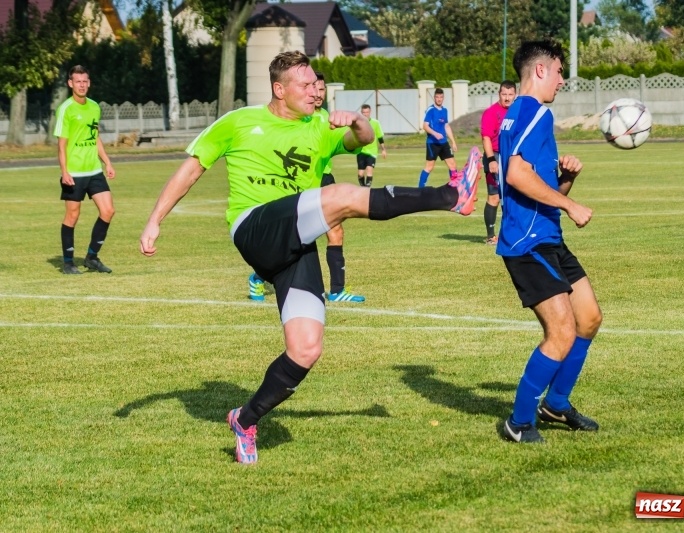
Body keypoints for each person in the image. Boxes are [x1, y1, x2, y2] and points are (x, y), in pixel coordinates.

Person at [139, 50, 481, 464]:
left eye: (315, 85)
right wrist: (155, 220)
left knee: (306, 348)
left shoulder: (319, 126)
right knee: (338, 196)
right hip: (254, 228)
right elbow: (191, 169)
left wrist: (355, 120)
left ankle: (245, 420)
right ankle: (450, 195)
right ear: (279, 89)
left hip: (294, 244)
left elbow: (364, 139)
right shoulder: (239, 121)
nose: (314, 92)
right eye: (304, 85)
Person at [496, 40, 603, 444]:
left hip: (547, 236)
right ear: (541, 70)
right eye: (559, 71)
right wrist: (571, 203)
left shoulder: (519, 113)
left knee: (588, 318)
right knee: (560, 332)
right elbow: (517, 176)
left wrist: (567, 179)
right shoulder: (533, 110)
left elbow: (534, 180)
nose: (562, 79)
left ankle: (556, 403)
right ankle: (519, 422)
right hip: (527, 243)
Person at [249, 72, 365, 303]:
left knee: (336, 232)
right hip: (300, 182)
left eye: (321, 89)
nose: (318, 94)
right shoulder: (300, 118)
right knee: (293, 240)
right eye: (314, 88)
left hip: (324, 180)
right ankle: (258, 276)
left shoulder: (328, 119)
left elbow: (348, 142)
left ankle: (337, 290)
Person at [54, 65, 116, 274]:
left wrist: (106, 161)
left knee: (108, 211)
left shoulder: (94, 107)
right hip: (74, 172)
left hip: (94, 170)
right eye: (77, 81)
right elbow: (61, 145)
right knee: (72, 216)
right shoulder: (66, 109)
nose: (81, 85)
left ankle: (92, 257)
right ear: (70, 83)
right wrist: (64, 172)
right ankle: (68, 263)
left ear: (88, 83)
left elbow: (95, 136)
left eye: (84, 81)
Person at [480, 80, 516, 245]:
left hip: (512, 157)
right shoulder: (491, 113)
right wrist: (491, 160)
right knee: (494, 197)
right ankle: (490, 236)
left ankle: (510, 233)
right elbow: (486, 138)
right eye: (504, 94)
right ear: (499, 94)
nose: (507, 98)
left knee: (512, 197)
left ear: (515, 95)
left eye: (510, 94)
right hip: (494, 156)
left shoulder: (518, 112)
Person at [418, 88, 458, 187]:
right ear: (434, 98)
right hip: (432, 143)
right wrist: (435, 134)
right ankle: (420, 189)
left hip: (443, 142)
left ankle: (455, 188)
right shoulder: (431, 110)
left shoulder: (445, 110)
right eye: (437, 97)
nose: (439, 99)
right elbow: (425, 126)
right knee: (429, 167)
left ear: (443, 98)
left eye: (441, 97)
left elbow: (446, 126)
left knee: (452, 165)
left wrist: (453, 142)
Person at [357, 104, 386, 187]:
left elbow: (380, 137)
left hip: (372, 152)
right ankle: (363, 188)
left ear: (370, 112)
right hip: (361, 151)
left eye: (367, 112)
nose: (365, 114)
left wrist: (383, 149)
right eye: (363, 112)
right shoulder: (358, 123)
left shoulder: (375, 123)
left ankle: (367, 189)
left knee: (369, 170)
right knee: (360, 174)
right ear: (361, 113)